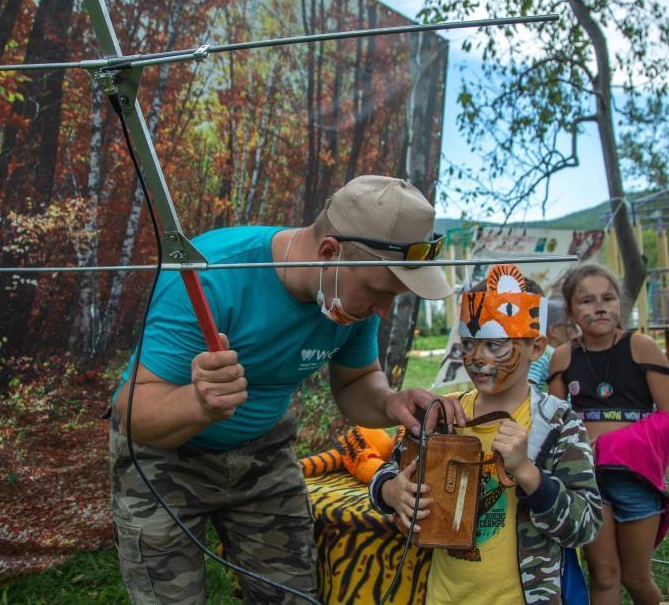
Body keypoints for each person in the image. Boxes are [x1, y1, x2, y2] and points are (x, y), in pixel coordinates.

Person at [109, 175, 468, 603]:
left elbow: (355, 383)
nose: (383, 310)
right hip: (165, 458)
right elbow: (133, 413)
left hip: (262, 452)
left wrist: (391, 402)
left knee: (291, 596)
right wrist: (197, 403)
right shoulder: (211, 275)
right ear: (329, 253)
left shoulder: (349, 300)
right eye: (378, 292)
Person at [369, 264, 602, 604]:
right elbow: (387, 471)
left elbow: (587, 525)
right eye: (468, 344)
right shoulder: (444, 413)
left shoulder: (557, 424)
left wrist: (527, 473)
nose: (477, 358)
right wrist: (392, 491)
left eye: (495, 345)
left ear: (536, 349)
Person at [548, 264, 669, 605]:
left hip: (636, 479)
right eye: (586, 300)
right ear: (570, 311)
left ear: (619, 305)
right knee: (604, 575)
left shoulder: (642, 347)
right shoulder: (563, 357)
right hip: (588, 480)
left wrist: (613, 445)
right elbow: (553, 421)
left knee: (637, 577)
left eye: (608, 298)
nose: (599, 307)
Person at [529, 295, 578, 389]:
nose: (577, 332)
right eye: (572, 326)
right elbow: (528, 386)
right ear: (554, 331)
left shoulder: (555, 354)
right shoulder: (541, 355)